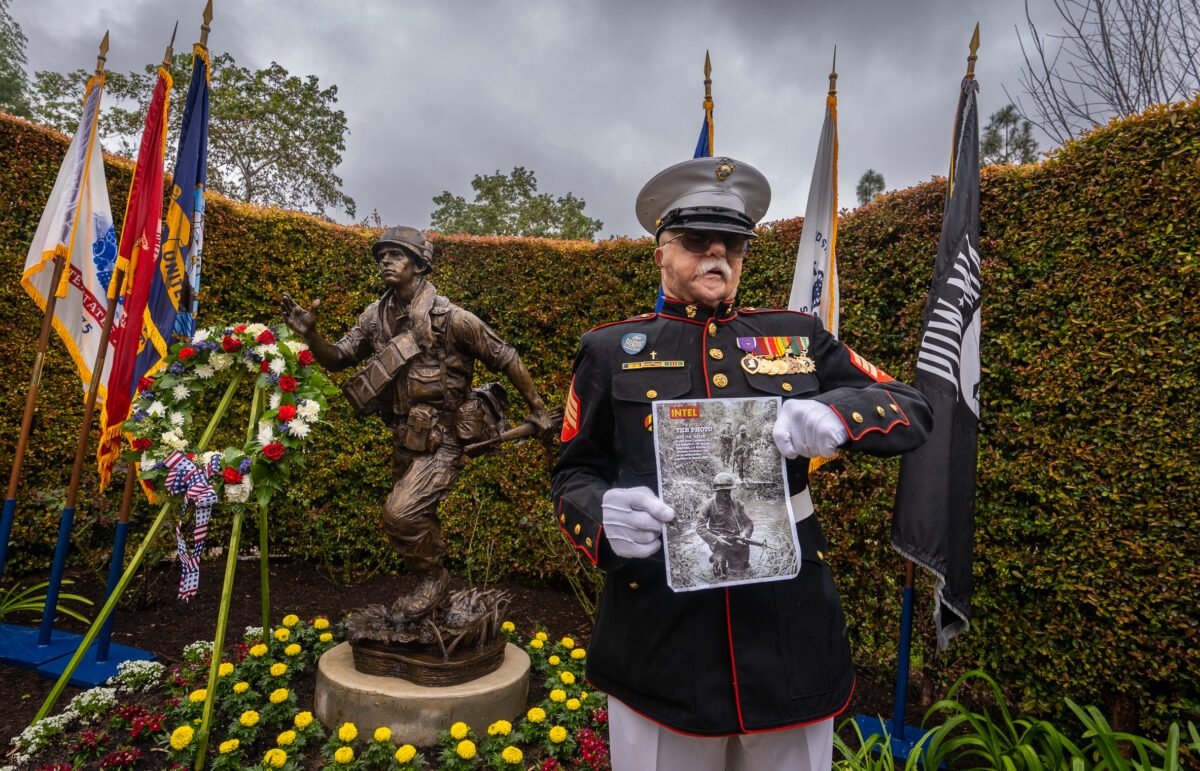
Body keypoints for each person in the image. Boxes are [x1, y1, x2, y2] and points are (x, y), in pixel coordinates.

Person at [551, 157, 933, 770]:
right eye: (697, 239)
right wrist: (602, 520)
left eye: (733, 242)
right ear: (661, 253)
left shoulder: (796, 336)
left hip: (787, 627)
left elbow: (911, 406)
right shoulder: (611, 350)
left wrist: (839, 414)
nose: (717, 253)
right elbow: (574, 472)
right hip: (660, 635)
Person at [282, 226, 552, 616]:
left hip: (443, 437)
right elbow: (340, 357)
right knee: (409, 518)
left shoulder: (453, 319)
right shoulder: (374, 317)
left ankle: (433, 579)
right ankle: (434, 602)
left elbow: (505, 356)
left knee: (401, 513)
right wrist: (312, 336)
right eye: (381, 256)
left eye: (396, 254)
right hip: (405, 438)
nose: (385, 261)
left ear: (420, 263)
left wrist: (538, 408)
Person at [695, 472, 753, 580]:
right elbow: (700, 527)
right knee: (719, 577)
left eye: (729, 490)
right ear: (717, 491)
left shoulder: (738, 504)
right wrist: (716, 539)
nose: (727, 493)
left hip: (737, 544)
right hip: (718, 545)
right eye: (723, 491)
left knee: (741, 575)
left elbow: (749, 523)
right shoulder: (708, 505)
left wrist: (744, 534)